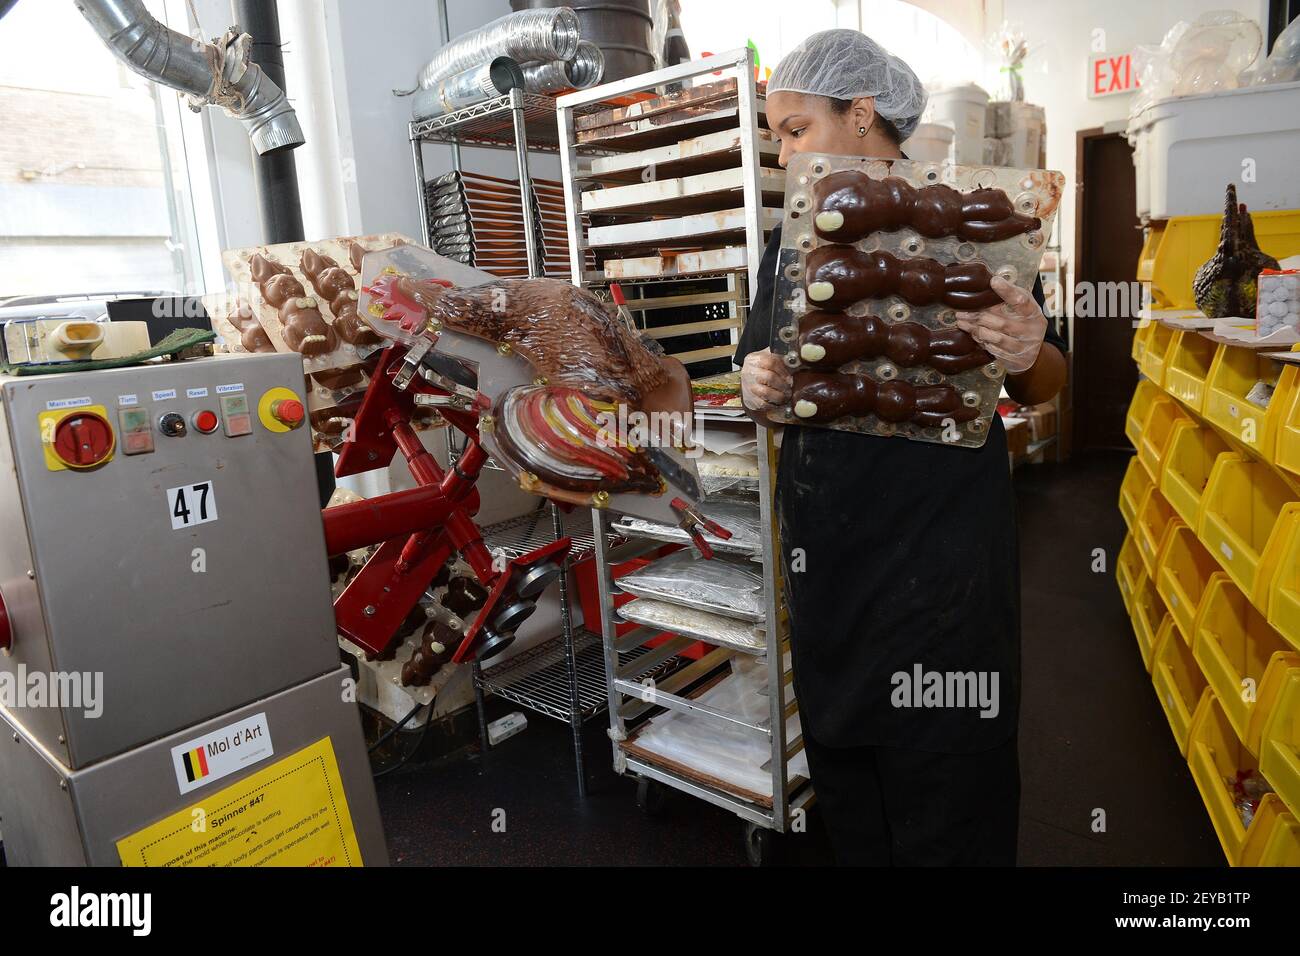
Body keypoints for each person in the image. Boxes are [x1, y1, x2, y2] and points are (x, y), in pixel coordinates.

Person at [736, 29, 1068, 866]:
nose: (783, 154)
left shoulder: (977, 225)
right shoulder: (795, 241)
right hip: (831, 555)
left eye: (795, 129)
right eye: (774, 135)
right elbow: (763, 363)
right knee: (849, 781)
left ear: (860, 113)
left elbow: (1046, 382)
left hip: (943, 558)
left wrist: (1027, 350)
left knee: (950, 785)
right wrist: (756, 383)